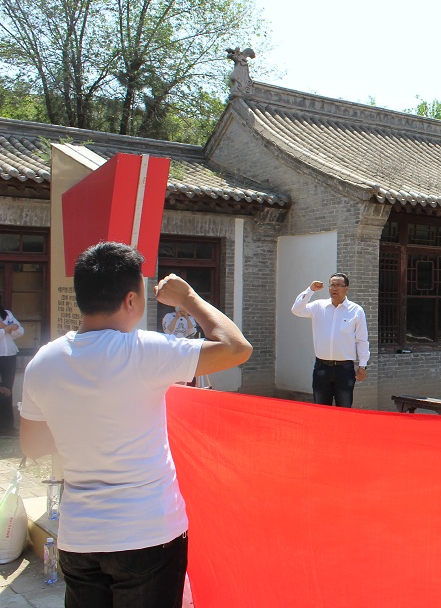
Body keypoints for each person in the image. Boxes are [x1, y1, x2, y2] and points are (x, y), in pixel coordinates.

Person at [19, 242, 253, 608]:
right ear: (131, 300)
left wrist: (81, 426)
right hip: (148, 533)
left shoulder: (42, 362)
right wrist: (188, 298)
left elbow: (32, 445)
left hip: (80, 536)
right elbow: (237, 347)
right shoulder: (146, 351)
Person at [291, 273, 370, 408]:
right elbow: (296, 310)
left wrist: (362, 366)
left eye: (339, 285)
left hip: (344, 369)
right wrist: (310, 290)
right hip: (322, 368)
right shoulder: (318, 306)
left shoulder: (356, 310)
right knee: (321, 409)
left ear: (346, 288)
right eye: (332, 285)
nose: (335, 288)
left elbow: (362, 340)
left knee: (344, 409)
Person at [0, 295, 23, 436]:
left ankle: (7, 425)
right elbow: (11, 330)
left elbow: (20, 331)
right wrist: (8, 328)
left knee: (8, 390)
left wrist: (6, 328)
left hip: (9, 355)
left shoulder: (7, 314)